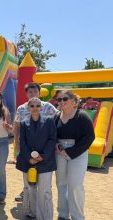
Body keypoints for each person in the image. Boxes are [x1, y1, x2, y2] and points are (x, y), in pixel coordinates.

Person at [13, 83, 58, 203]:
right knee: (27, 171)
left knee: (43, 175)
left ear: (39, 92)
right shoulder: (21, 108)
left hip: (44, 147)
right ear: (26, 94)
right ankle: (27, 196)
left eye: (35, 92)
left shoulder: (48, 107)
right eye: (30, 92)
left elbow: (58, 119)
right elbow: (17, 125)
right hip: (27, 146)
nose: (33, 94)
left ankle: (41, 199)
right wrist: (16, 142)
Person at [54, 90, 95, 220]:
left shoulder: (82, 116)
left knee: (75, 185)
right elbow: (52, 135)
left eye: (64, 99)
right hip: (59, 152)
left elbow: (89, 137)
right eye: (59, 99)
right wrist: (56, 145)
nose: (61, 102)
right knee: (61, 184)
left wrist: (70, 152)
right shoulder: (56, 116)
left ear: (73, 101)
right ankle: (63, 214)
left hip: (78, 153)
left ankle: (77, 216)